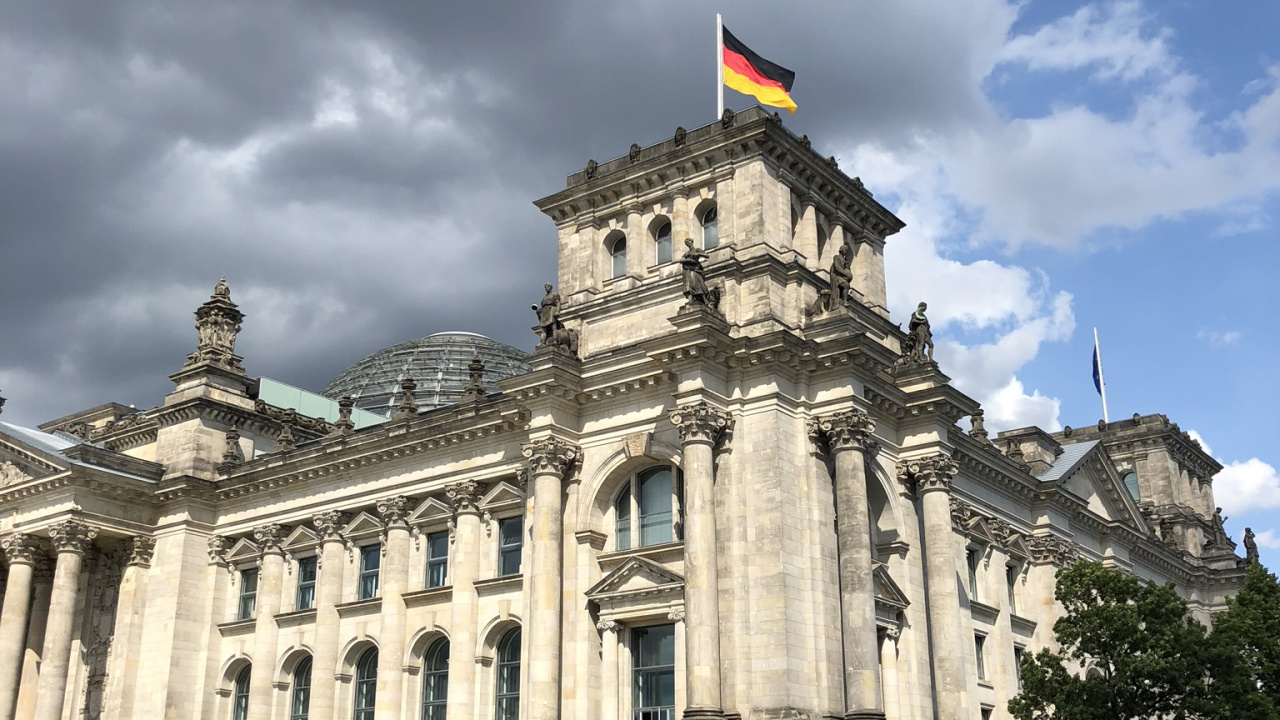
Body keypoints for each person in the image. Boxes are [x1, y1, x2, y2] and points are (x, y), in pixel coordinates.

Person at [680, 238, 712, 306]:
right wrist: (688, 260)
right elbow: (681, 260)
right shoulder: (686, 253)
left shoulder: (697, 249)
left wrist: (698, 254)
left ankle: (704, 298)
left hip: (695, 269)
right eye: (686, 243)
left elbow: (707, 255)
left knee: (696, 283)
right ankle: (691, 299)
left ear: (692, 242)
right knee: (689, 284)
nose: (688, 243)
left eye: (688, 241)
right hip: (688, 269)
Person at [829, 243, 853, 309]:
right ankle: (844, 301)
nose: (846, 251)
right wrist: (845, 274)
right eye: (845, 250)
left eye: (847, 250)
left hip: (841, 276)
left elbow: (848, 270)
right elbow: (837, 267)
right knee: (846, 285)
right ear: (841, 250)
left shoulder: (845, 260)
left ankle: (843, 300)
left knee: (847, 285)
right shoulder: (836, 257)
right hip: (836, 276)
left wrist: (847, 266)